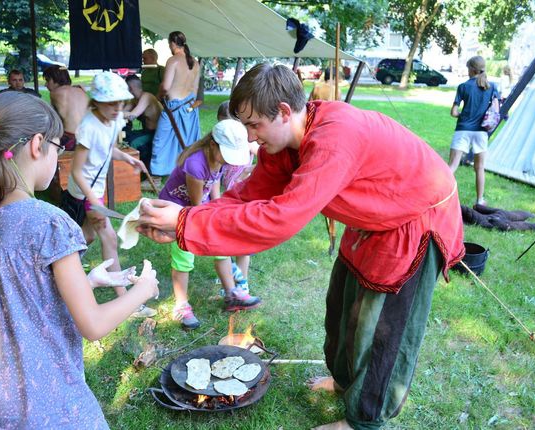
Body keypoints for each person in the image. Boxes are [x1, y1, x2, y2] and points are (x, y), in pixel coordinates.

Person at [137, 63, 464, 430]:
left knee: (382, 328)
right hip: (372, 216)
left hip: (413, 221)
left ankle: (364, 422)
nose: (248, 137)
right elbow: (249, 195)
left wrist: (185, 224)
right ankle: (343, 383)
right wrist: (185, 219)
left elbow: (280, 218)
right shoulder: (283, 142)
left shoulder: (335, 139)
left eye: (253, 125)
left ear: (283, 111)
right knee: (343, 307)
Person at [0, 91, 159, 428]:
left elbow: (15, 294)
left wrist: (88, 281)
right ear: (38, 145)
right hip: (45, 411)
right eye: (59, 147)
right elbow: (93, 325)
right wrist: (144, 290)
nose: (59, 155)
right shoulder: (48, 222)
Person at [67, 71, 157, 318]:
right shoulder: (87, 127)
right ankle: (126, 301)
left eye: (120, 102)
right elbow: (76, 171)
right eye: (111, 102)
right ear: (96, 102)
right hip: (85, 194)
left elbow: (108, 149)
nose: (118, 108)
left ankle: (61, 271)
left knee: (85, 238)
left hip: (95, 193)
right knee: (109, 239)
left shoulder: (114, 119)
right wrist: (93, 201)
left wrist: (128, 158)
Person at [159, 119, 262, 330]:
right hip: (178, 210)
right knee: (184, 255)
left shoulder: (217, 158)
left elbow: (213, 184)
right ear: (213, 145)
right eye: (226, 154)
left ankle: (232, 294)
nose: (227, 160)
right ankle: (181, 305)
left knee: (221, 246)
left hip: (200, 206)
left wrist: (217, 207)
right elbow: (196, 206)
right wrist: (211, 219)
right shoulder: (195, 165)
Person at [216, 100, 260, 295]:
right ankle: (229, 274)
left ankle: (243, 282)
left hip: (244, 199)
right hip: (228, 197)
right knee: (228, 237)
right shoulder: (219, 147)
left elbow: (265, 159)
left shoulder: (246, 143)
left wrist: (248, 172)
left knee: (244, 241)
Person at [448, 56, 499, 207]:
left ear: (471, 69)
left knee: (452, 166)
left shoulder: (463, 86)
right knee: (479, 168)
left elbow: (454, 112)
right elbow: (496, 109)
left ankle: (439, 197)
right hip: (482, 132)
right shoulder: (492, 86)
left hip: (463, 129)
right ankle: (480, 200)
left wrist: (462, 114)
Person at [151, 31, 201, 177]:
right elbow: (195, 89)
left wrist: (158, 95)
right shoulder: (195, 63)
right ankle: (186, 171)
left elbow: (166, 86)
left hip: (173, 108)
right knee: (187, 141)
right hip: (190, 109)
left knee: (161, 141)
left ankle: (156, 176)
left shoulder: (173, 60)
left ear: (172, 43)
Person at [123, 74, 163, 190]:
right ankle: (127, 172)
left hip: (155, 134)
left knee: (132, 143)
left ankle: (135, 173)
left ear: (130, 88)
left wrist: (114, 113)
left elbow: (132, 115)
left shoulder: (146, 97)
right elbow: (124, 112)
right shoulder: (134, 99)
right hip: (146, 131)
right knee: (125, 137)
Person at [43, 65, 89, 151]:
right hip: (88, 137)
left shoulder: (55, 93)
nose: (46, 85)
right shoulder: (81, 90)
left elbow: (53, 120)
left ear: (55, 79)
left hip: (71, 139)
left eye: (47, 80)